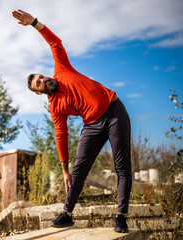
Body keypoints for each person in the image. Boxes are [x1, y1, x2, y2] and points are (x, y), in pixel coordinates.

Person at [12, 9, 132, 233]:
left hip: (114, 111)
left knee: (122, 166)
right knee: (77, 171)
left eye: (41, 76)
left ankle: (121, 216)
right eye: (39, 83)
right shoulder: (55, 107)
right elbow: (61, 135)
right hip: (92, 125)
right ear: (39, 92)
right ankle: (67, 213)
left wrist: (34, 23)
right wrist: (64, 169)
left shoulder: (61, 69)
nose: (43, 79)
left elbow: (54, 42)